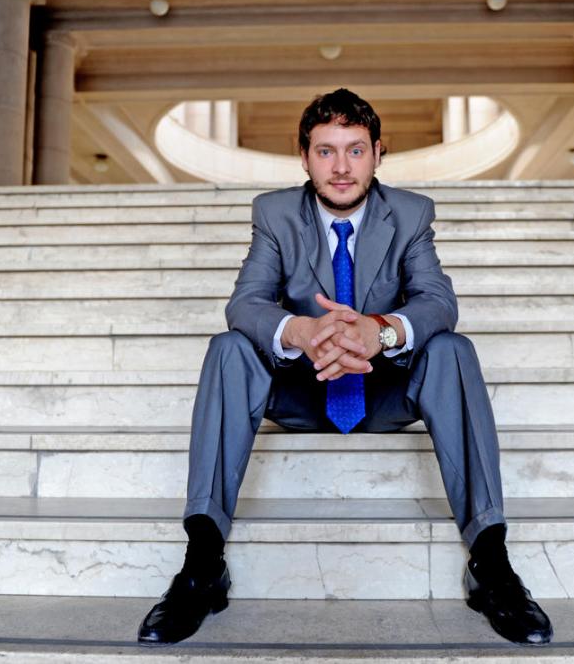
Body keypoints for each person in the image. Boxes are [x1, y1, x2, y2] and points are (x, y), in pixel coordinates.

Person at [137, 88, 552, 646]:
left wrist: (378, 331)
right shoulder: (275, 213)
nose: (340, 167)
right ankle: (203, 563)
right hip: (301, 391)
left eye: (355, 150)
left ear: (378, 153)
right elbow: (246, 303)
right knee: (227, 348)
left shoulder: (410, 214)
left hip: (383, 393)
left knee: (453, 350)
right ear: (303, 157)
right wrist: (303, 332)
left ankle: (491, 563)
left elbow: (436, 301)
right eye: (326, 151)